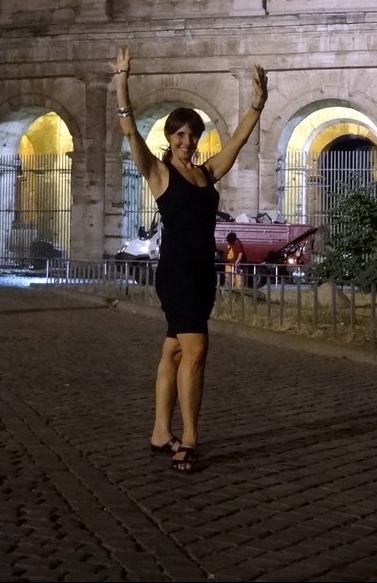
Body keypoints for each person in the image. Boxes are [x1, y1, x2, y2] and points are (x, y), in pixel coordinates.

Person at [111, 46, 268, 474]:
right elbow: (129, 133)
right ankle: (191, 438)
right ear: (169, 138)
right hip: (176, 273)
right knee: (196, 350)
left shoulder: (206, 173)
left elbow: (235, 143)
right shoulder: (160, 174)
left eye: (193, 134)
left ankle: (161, 431)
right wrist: (122, 81)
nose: (187, 141)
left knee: (175, 351)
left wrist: (257, 105)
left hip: (203, 274)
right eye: (180, 134)